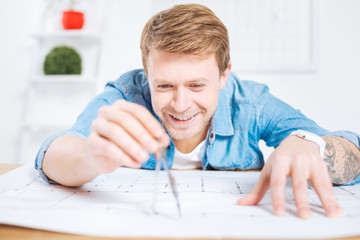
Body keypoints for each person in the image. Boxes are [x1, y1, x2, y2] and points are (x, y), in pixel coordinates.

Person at [35, 4, 360, 219]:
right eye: (163, 86)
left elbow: (351, 150)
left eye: (196, 86)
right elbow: (54, 153)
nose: (180, 104)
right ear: (146, 74)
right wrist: (91, 157)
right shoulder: (125, 94)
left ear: (223, 75)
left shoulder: (251, 102)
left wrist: (313, 144)